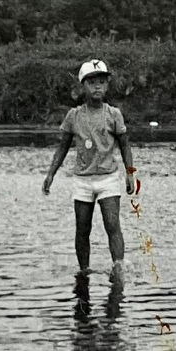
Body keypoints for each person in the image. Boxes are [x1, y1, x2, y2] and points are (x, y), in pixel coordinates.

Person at [43, 59, 137, 277]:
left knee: (112, 224)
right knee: (82, 228)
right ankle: (83, 271)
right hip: (83, 180)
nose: (97, 87)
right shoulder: (74, 116)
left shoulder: (113, 114)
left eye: (102, 82)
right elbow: (63, 147)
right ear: (82, 86)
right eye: (92, 82)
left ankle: (119, 267)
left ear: (107, 86)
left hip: (108, 177)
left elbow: (125, 145)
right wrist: (50, 174)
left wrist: (130, 174)